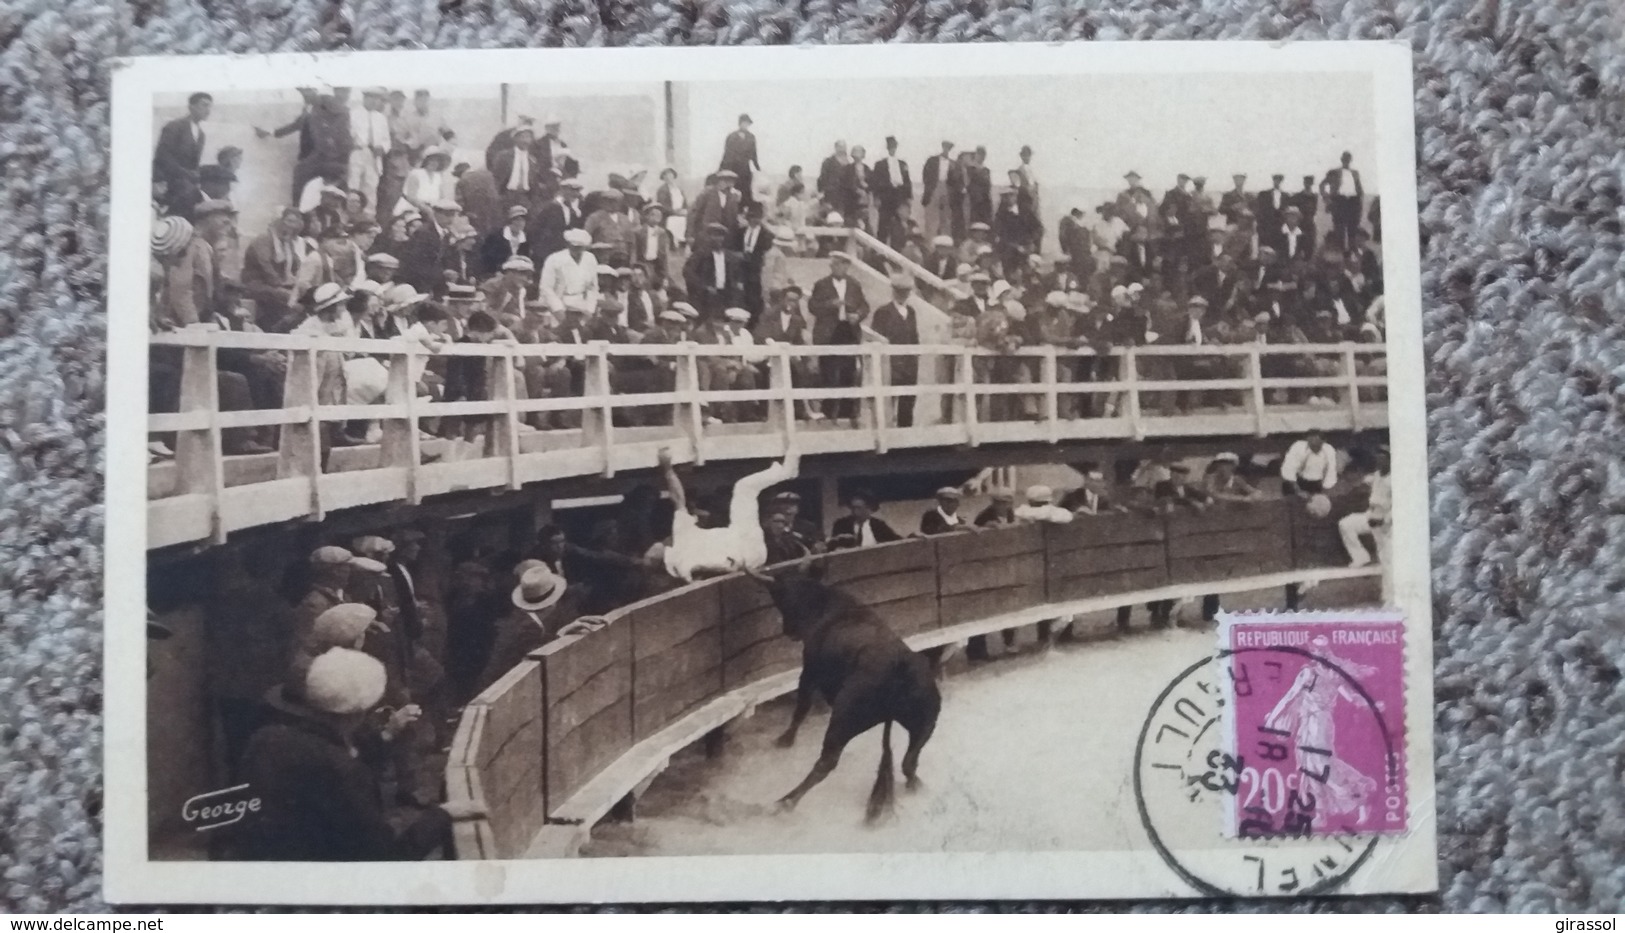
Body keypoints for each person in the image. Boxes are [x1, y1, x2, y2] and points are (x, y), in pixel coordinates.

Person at [235, 647, 466, 861]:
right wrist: (441, 815)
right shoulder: (343, 770)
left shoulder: (265, 739)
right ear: (357, 714)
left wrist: (385, 735)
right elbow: (385, 858)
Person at [655, 446, 799, 582]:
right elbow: (722, 569)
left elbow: (678, 500)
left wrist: (667, 468)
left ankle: (784, 472)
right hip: (748, 553)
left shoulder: (681, 532)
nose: (657, 546)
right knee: (743, 489)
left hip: (738, 534)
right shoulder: (682, 563)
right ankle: (784, 472)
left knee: (744, 488)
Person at [807, 251, 870, 424]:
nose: (835, 267)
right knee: (829, 374)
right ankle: (828, 413)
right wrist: (830, 305)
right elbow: (812, 307)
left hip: (848, 332)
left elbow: (864, 306)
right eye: (833, 265)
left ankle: (846, 414)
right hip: (829, 333)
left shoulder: (854, 284)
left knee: (848, 373)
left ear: (846, 266)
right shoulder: (822, 284)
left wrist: (857, 315)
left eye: (839, 264)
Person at [869, 272, 922, 428]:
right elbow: (877, 337)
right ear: (893, 291)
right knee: (888, 400)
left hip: (909, 364)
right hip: (891, 363)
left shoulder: (911, 312)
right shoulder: (883, 312)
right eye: (899, 291)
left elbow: (914, 336)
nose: (902, 295)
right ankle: (888, 432)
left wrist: (915, 356)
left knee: (907, 401)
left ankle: (906, 432)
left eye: (906, 292)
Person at [152, 92, 211, 218]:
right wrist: (184, 174)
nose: (208, 110)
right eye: (204, 105)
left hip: (185, 183)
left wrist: (195, 178)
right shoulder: (174, 126)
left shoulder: (201, 135)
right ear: (191, 107)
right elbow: (163, 156)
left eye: (210, 107)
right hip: (166, 181)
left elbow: (194, 164)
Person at [1339, 445, 1392, 569]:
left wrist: (1385, 520)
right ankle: (1360, 556)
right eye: (1378, 458)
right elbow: (1361, 479)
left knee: (1387, 560)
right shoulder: (1376, 475)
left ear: (1390, 460)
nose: (1380, 461)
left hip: (1388, 522)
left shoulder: (1395, 480)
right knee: (1346, 524)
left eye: (1383, 458)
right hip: (1371, 516)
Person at [682, 222, 746, 319]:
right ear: (708, 237)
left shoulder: (729, 256)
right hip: (705, 297)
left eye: (720, 236)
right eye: (714, 235)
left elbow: (737, 274)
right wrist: (704, 286)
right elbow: (687, 272)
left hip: (725, 296)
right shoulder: (701, 254)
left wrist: (737, 284)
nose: (718, 239)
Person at [539, 228, 600, 319]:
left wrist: (589, 310)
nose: (578, 251)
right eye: (575, 247)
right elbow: (546, 288)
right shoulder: (554, 259)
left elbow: (592, 288)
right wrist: (558, 310)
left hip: (581, 305)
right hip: (557, 304)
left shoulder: (590, 259)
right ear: (568, 245)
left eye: (581, 247)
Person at [732, 203, 774, 322]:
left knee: (754, 302)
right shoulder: (740, 232)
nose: (754, 220)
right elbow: (734, 250)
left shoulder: (767, 235)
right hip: (740, 271)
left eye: (757, 217)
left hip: (756, 273)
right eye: (751, 217)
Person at [391, 89, 455, 165]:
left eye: (425, 100)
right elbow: (399, 137)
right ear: (415, 102)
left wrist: (446, 149)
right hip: (414, 156)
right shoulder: (407, 118)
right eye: (419, 100)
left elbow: (449, 135)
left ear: (428, 101)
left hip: (433, 156)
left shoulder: (436, 117)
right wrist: (408, 146)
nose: (422, 103)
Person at [870, 135, 912, 249]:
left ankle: (897, 250)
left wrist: (908, 199)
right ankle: (880, 250)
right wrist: (876, 197)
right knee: (883, 224)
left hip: (899, 197)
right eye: (890, 147)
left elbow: (907, 181)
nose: (892, 149)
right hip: (885, 197)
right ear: (887, 148)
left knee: (898, 226)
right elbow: (875, 182)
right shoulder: (880, 164)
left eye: (894, 146)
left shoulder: (902, 164)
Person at [1321, 151, 1365, 254]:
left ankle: (1352, 256)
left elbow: (1359, 188)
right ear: (1341, 160)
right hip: (1340, 201)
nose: (1346, 161)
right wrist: (1327, 199)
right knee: (1339, 230)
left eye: (1348, 159)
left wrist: (1359, 201)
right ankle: (1339, 254)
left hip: (1353, 202)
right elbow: (1322, 185)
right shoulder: (1334, 172)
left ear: (1350, 160)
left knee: (1353, 231)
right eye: (1345, 159)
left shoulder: (1355, 172)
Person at [920, 140, 963, 244]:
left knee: (946, 221)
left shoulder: (954, 164)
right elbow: (926, 175)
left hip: (947, 191)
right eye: (945, 147)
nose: (946, 150)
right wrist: (930, 188)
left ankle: (945, 244)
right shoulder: (932, 160)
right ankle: (930, 245)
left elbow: (957, 180)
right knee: (931, 220)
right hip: (934, 189)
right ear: (942, 147)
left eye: (949, 148)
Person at [828, 491, 902, 549]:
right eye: (853, 508)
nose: (855, 511)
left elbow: (895, 541)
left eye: (859, 508)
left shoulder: (879, 525)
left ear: (868, 508)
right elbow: (833, 545)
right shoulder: (841, 525)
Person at [1280, 429, 1339, 496]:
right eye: (1311, 444)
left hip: (1317, 483)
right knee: (1288, 488)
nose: (1314, 446)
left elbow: (1330, 472)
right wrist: (1298, 491)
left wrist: (1324, 493)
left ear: (1323, 441)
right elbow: (1288, 470)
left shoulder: (1329, 450)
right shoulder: (1297, 446)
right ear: (1307, 441)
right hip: (1297, 481)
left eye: (1317, 444)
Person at [719, 113, 760, 208]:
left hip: (745, 168)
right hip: (733, 168)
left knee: (746, 190)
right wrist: (722, 168)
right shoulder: (732, 136)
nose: (746, 125)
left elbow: (754, 153)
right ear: (740, 123)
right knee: (733, 189)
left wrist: (757, 167)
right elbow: (727, 153)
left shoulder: (751, 137)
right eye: (744, 123)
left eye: (748, 124)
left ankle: (744, 212)